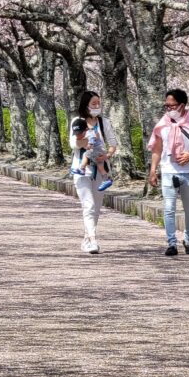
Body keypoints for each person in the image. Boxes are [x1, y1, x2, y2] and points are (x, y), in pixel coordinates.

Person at [148, 88, 189, 257]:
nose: (169, 109)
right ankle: (171, 243)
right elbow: (156, 149)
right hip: (169, 170)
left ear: (182, 105)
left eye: (172, 105)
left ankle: (187, 239)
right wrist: (153, 171)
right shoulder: (162, 124)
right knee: (169, 208)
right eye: (166, 106)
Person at [69, 91, 118, 255]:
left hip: (101, 167)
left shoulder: (104, 123)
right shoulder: (77, 122)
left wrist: (108, 154)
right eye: (94, 103)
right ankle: (93, 240)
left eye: (98, 103)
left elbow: (112, 143)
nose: (97, 106)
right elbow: (74, 144)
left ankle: (86, 238)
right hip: (82, 170)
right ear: (86, 105)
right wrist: (86, 139)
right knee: (88, 205)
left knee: (96, 207)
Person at [69, 117, 112, 189]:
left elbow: (91, 143)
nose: (78, 135)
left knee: (85, 155)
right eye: (76, 134)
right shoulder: (91, 131)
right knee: (100, 168)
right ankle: (106, 180)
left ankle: (82, 169)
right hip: (99, 151)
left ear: (86, 129)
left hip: (96, 150)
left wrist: (89, 145)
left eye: (79, 133)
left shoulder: (90, 134)